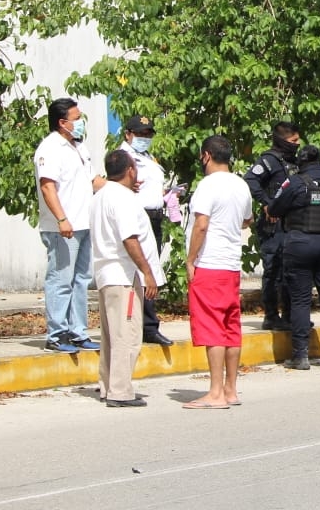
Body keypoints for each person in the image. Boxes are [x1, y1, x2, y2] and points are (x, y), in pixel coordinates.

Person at [184, 135, 253, 409]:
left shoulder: (207, 185)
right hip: (231, 264)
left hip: (210, 263)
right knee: (230, 326)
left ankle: (214, 393)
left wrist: (190, 260)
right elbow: (247, 219)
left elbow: (201, 224)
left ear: (206, 155)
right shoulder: (241, 184)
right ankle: (230, 389)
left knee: (212, 327)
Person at [267, 145, 320, 371]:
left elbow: (274, 208)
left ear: (300, 163)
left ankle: (301, 356)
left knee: (300, 300)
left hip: (301, 244)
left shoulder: (296, 182)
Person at [90, 149, 163, 408]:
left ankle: (108, 385)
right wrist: (147, 272)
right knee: (127, 335)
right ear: (130, 170)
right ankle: (120, 391)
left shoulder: (101, 195)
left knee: (111, 335)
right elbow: (129, 239)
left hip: (106, 273)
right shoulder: (122, 198)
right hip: (122, 275)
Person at [35, 97, 106, 353]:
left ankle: (77, 332)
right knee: (60, 279)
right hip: (62, 228)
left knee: (81, 280)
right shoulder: (50, 148)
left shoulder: (79, 147)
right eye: (76, 119)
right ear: (62, 122)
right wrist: (62, 218)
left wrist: (121, 188)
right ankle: (56, 334)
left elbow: (93, 181)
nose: (80, 123)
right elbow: (47, 186)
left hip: (85, 223)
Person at [119, 114, 173, 346]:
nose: (145, 138)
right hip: (137, 217)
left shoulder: (147, 156)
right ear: (128, 134)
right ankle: (146, 325)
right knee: (142, 270)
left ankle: (147, 324)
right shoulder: (123, 158)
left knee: (150, 269)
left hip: (155, 216)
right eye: (140, 134)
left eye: (148, 134)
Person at [244, 121, 301, 330]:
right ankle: (271, 315)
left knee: (291, 270)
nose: (297, 144)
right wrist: (268, 204)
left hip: (292, 225)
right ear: (281, 140)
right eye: (293, 140)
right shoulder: (269, 161)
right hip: (273, 227)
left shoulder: (293, 162)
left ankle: (289, 315)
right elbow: (250, 180)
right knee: (273, 271)